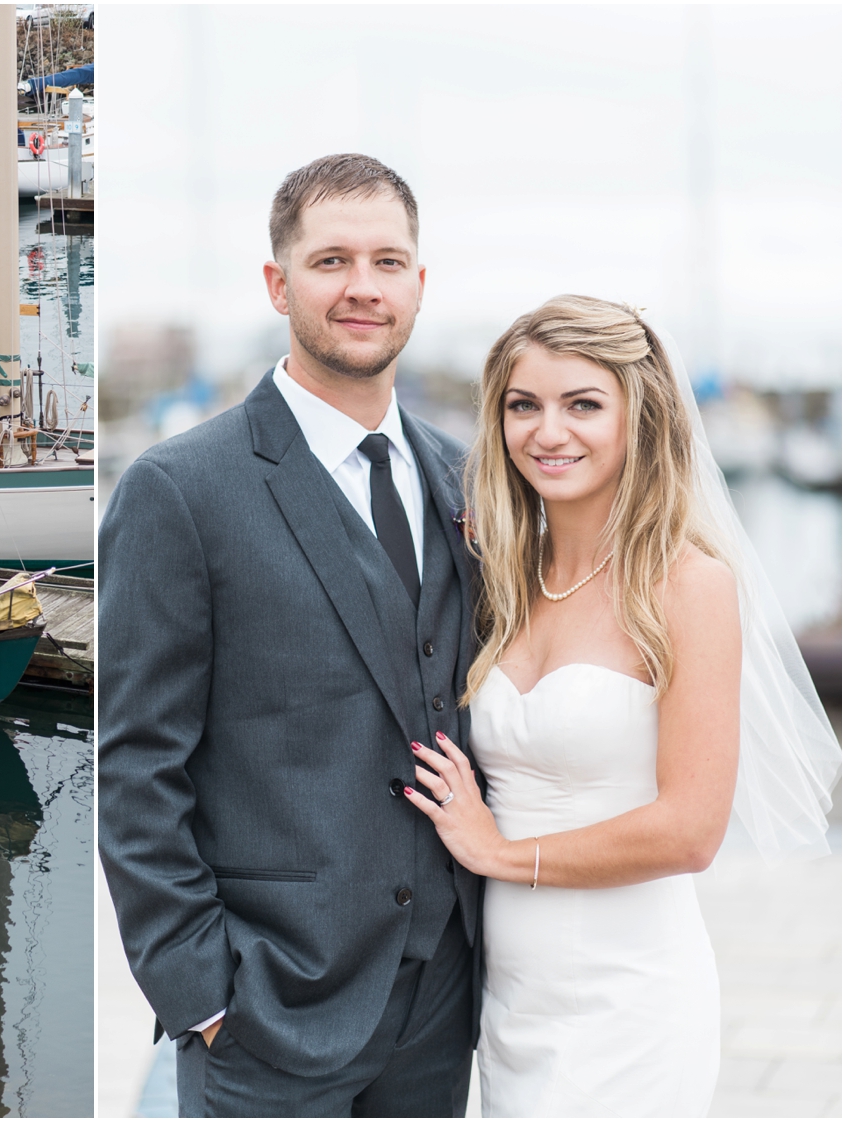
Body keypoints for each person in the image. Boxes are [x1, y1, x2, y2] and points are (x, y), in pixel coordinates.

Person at [99, 154, 482, 1116]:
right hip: (267, 1012)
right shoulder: (180, 490)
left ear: (419, 285)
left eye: (388, 261)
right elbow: (137, 764)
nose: (363, 286)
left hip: (442, 1006)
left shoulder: (465, 481)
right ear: (279, 283)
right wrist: (204, 996)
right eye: (331, 260)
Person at [404, 295, 840, 1115]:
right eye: (522, 405)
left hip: (631, 995)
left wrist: (497, 854)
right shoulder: (500, 579)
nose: (548, 431)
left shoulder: (688, 585)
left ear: (640, 418)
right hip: (508, 1000)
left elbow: (692, 831)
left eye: (584, 405)